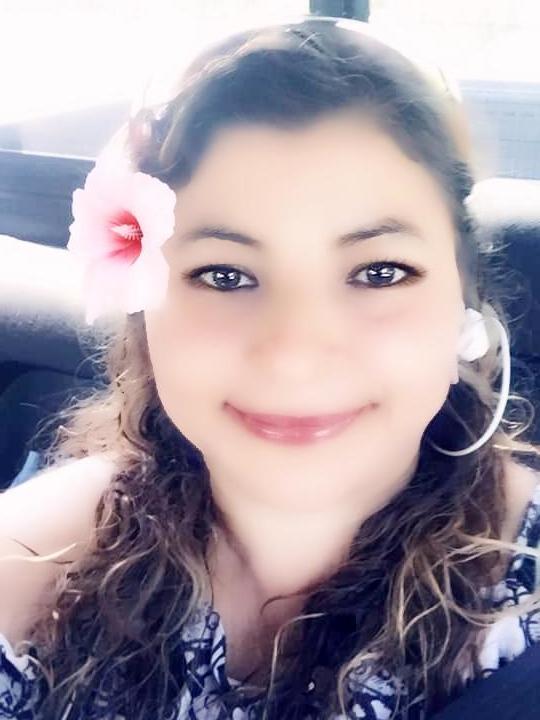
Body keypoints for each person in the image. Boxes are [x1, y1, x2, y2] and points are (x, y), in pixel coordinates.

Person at [0, 15, 539, 720]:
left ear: (462, 300)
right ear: (144, 310)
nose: (295, 355)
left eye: (379, 272)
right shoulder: (35, 565)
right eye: (224, 275)